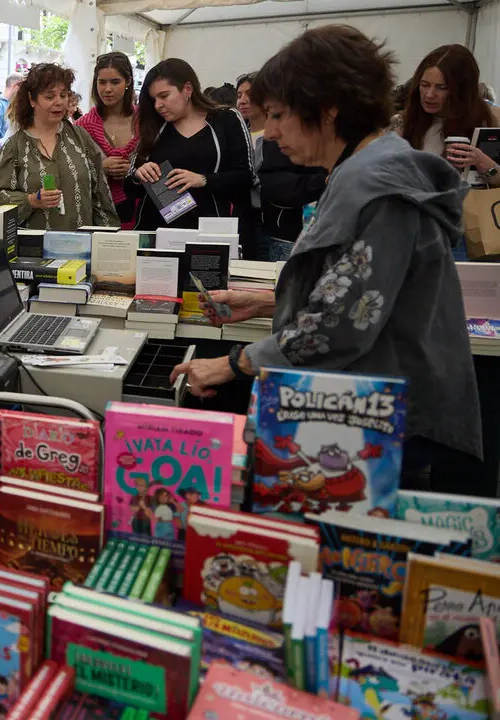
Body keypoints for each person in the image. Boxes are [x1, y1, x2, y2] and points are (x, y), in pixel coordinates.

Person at [170, 24, 482, 491]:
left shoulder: (377, 186)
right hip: (373, 407)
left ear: (328, 110)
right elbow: (360, 287)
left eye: (278, 115)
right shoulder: (362, 168)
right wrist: (267, 301)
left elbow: (339, 325)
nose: (270, 133)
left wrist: (230, 364)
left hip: (392, 424)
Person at [130, 58, 254, 251]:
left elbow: (246, 178)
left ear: (187, 89)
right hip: (157, 235)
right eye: (154, 99)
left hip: (209, 233)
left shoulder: (226, 119)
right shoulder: (155, 126)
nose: (158, 105)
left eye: (164, 96)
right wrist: (139, 174)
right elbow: (130, 185)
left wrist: (204, 180)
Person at [0, 63, 117, 231]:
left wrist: (108, 236)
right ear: (32, 100)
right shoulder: (15, 147)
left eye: (63, 95)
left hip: (82, 246)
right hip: (33, 251)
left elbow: (100, 193)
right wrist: (32, 200)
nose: (59, 103)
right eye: (50, 97)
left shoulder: (79, 137)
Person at [396, 45, 500, 184]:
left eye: (442, 87)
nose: (429, 95)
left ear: (462, 90)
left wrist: (483, 162)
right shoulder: (402, 123)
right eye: (425, 85)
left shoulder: (487, 122)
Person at [76, 51, 139, 226]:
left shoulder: (147, 122)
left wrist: (133, 170)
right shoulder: (82, 126)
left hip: (143, 211)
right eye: (102, 82)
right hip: (98, 214)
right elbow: (71, 172)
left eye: (115, 82)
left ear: (128, 82)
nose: (107, 89)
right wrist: (100, 167)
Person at [237, 72, 267, 255]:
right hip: (242, 217)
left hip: (268, 217)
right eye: (239, 95)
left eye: (250, 94)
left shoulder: (278, 136)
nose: (242, 100)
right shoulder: (238, 135)